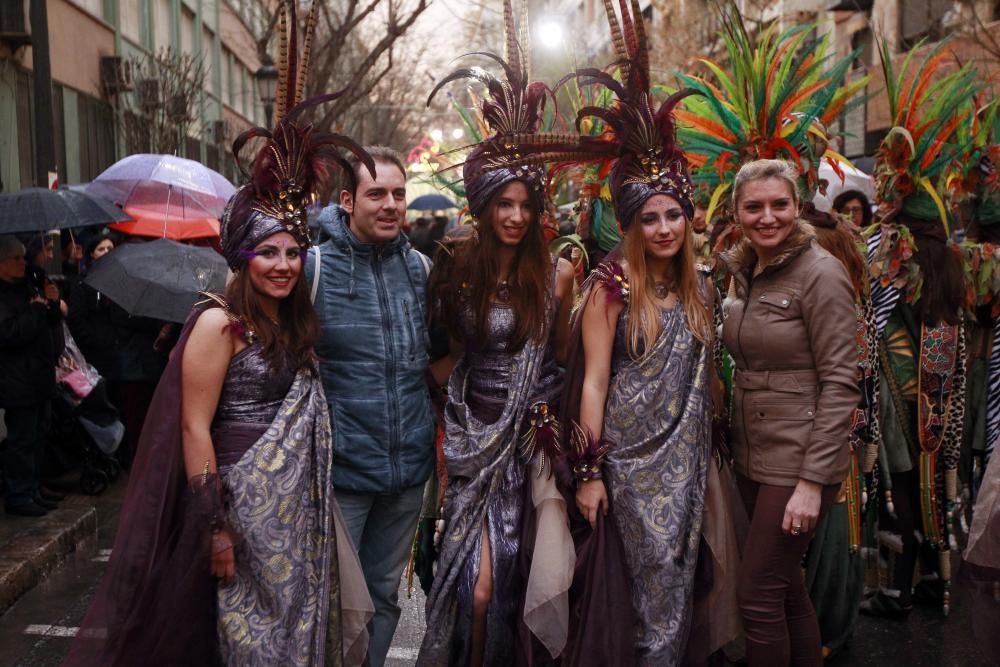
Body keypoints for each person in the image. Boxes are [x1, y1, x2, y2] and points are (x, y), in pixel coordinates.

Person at [64, 5, 373, 663]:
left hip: (298, 522)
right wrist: (216, 528)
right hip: (240, 515)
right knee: (239, 643)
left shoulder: (294, 319)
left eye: (294, 252)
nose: (285, 265)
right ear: (243, 257)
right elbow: (194, 427)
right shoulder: (217, 322)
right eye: (271, 254)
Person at [418, 16, 575, 666]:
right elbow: (435, 358)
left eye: (524, 204)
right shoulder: (456, 267)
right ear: (484, 207)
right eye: (502, 204)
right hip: (472, 440)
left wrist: (546, 427)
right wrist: (456, 417)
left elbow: (564, 361)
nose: (514, 215)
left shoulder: (558, 273)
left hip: (530, 449)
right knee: (476, 588)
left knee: (520, 579)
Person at [718, 159, 859, 666]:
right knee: (786, 588)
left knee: (756, 593)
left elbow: (842, 382)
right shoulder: (746, 270)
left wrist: (811, 480)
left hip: (795, 462)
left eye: (779, 204)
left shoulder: (822, 273)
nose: (767, 217)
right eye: (753, 206)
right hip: (752, 456)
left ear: (797, 207)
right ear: (737, 212)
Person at [306, 145, 436, 667]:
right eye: (376, 193)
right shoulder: (313, 269)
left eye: (398, 194)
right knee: (336, 600)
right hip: (343, 472)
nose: (390, 205)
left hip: (408, 471)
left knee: (384, 596)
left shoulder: (422, 270)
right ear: (346, 201)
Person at [0, 236, 65, 516]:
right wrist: (37, 308)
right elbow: (11, 333)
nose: (22, 263)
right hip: (17, 379)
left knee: (40, 433)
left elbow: (47, 323)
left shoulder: (26, 284)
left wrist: (50, 303)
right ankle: (19, 493)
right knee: (22, 438)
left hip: (39, 375)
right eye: (16, 259)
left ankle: (33, 486)